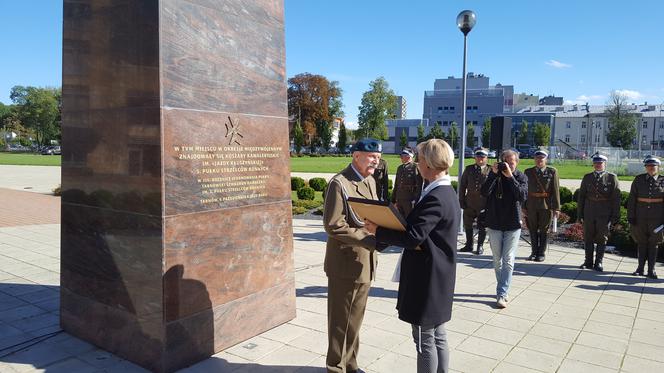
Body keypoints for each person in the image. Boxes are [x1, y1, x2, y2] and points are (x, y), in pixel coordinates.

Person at [364, 138, 459, 373]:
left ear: (427, 163)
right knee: (438, 335)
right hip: (438, 274)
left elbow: (413, 237)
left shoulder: (436, 196)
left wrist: (378, 230)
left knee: (424, 339)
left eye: (419, 158)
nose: (416, 163)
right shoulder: (444, 191)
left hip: (426, 277)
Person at [323, 138, 382, 373]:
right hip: (345, 263)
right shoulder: (340, 183)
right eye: (371, 157)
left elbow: (375, 215)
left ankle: (350, 364)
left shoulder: (369, 181)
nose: (376, 162)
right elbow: (333, 224)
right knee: (341, 321)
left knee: (355, 319)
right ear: (356, 156)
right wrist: (368, 239)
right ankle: (335, 367)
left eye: (378, 158)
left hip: (365, 262)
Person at [481, 149, 528, 308]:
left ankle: (501, 293)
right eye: (506, 162)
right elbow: (484, 192)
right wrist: (493, 175)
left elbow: (522, 195)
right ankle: (503, 286)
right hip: (494, 222)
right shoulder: (495, 175)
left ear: (517, 162)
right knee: (496, 259)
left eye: (512, 162)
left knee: (508, 259)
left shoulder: (521, 177)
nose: (509, 165)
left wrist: (510, 177)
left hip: (513, 224)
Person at [577, 153, 620, 272]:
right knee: (588, 237)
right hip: (589, 211)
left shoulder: (612, 178)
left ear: (605, 164)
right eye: (596, 163)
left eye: (600, 163)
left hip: (604, 212)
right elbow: (581, 197)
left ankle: (599, 262)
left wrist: (615, 216)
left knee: (602, 237)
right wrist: (580, 214)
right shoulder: (587, 177)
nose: (598, 165)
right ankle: (588, 261)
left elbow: (616, 198)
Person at [627, 155, 663, 279]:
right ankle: (640, 268)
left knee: (654, 243)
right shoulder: (638, 179)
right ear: (645, 167)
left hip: (657, 218)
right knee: (641, 242)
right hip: (640, 216)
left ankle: (651, 270)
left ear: (658, 167)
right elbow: (632, 199)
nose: (651, 168)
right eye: (648, 166)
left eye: (653, 166)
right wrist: (631, 215)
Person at [523, 150, 560, 262]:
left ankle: (541, 253)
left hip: (546, 205)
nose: (539, 160)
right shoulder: (528, 172)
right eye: (537, 158)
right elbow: (525, 190)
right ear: (534, 159)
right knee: (532, 229)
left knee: (544, 230)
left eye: (542, 158)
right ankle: (534, 252)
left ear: (546, 159)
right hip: (531, 204)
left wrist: (556, 208)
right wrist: (524, 206)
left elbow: (555, 190)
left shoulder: (552, 171)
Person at [459, 148, 490, 255]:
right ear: (475, 157)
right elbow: (462, 186)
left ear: (486, 158)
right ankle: (469, 245)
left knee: (483, 225)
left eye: (482, 157)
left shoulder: (490, 170)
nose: (480, 159)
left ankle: (480, 246)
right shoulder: (469, 169)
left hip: (484, 203)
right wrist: (461, 200)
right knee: (468, 224)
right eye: (478, 156)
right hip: (470, 201)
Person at [391, 147, 423, 218]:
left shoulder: (415, 167)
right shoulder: (400, 168)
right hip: (400, 198)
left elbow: (419, 185)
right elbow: (396, 184)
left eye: (402, 156)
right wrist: (393, 199)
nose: (401, 158)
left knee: (410, 219)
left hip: (409, 199)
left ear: (408, 156)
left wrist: (415, 199)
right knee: (400, 219)